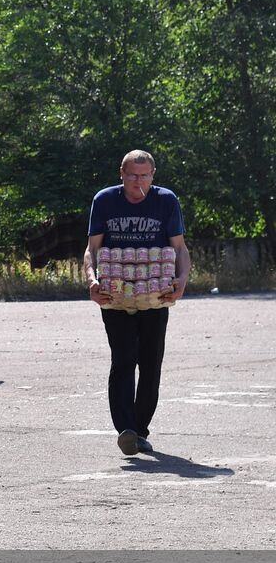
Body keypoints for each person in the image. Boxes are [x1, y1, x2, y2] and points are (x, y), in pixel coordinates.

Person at [82, 149, 190, 456]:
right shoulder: (105, 200)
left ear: (152, 176)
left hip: (155, 294)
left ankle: (140, 430)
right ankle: (126, 429)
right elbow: (92, 249)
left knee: (151, 362)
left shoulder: (165, 200)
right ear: (121, 173)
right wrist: (92, 280)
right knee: (124, 358)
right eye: (132, 174)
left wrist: (181, 280)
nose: (137, 181)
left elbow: (180, 248)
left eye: (144, 175)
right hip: (115, 294)